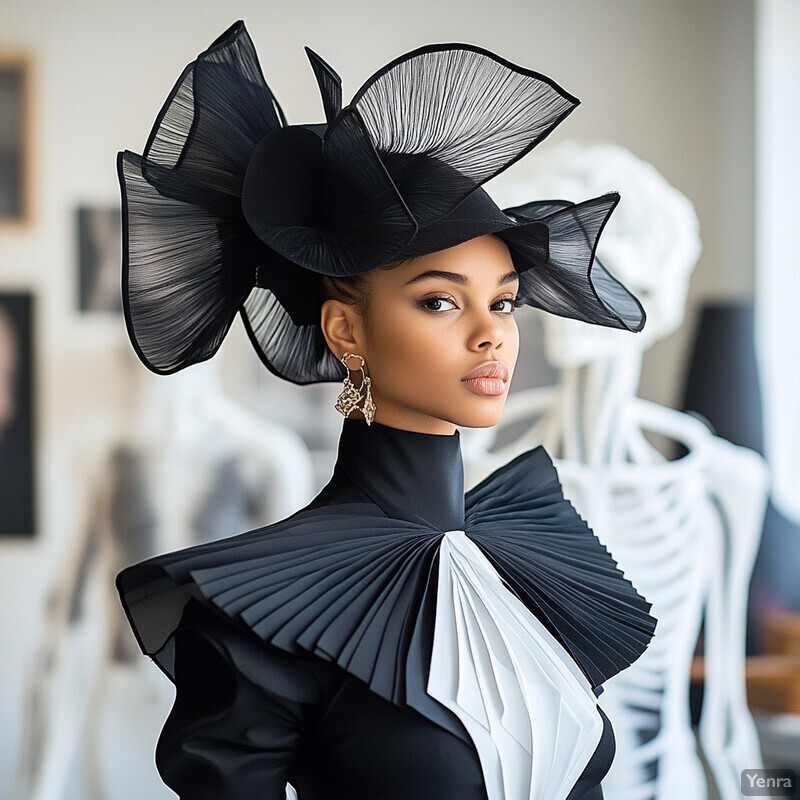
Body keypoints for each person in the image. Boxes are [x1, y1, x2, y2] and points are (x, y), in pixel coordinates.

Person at [115, 21, 657, 800]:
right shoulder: (264, 611)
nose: (490, 336)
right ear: (346, 329)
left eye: (503, 302)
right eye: (440, 300)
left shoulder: (535, 557)